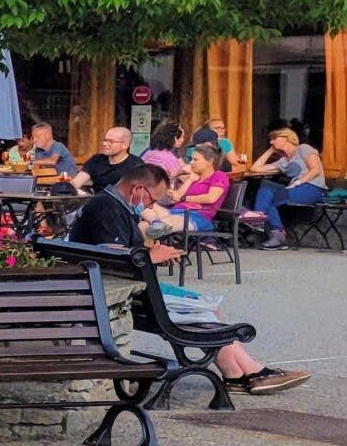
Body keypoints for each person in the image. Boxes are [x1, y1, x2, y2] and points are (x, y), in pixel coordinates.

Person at [68, 162, 305, 394]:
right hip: (135, 295)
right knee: (207, 309)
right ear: (138, 189)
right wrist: (152, 255)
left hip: (133, 292)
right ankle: (247, 373)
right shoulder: (107, 208)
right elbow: (112, 257)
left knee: (207, 309)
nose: (150, 205)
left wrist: (152, 252)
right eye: (152, 198)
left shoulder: (110, 204)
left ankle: (241, 373)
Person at [243, 126, 328, 249]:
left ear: (286, 137)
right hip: (293, 190)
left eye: (274, 138)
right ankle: (261, 219)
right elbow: (254, 169)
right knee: (267, 186)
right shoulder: (283, 161)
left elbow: (316, 170)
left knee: (270, 196)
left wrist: (298, 182)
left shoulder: (304, 149)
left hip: (312, 188)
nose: (271, 142)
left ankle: (268, 226)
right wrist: (270, 151)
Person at [11, 121, 77, 182]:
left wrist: (30, 162)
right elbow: (36, 167)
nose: (34, 140)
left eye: (37, 137)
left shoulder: (58, 146)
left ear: (47, 136)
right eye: (33, 137)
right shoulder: (38, 150)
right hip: (50, 180)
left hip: (67, 180)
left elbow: (52, 161)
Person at [78, 126, 138, 193]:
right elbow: (76, 183)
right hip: (97, 201)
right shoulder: (96, 160)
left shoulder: (136, 166)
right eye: (105, 140)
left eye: (111, 141)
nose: (105, 144)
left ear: (125, 145)